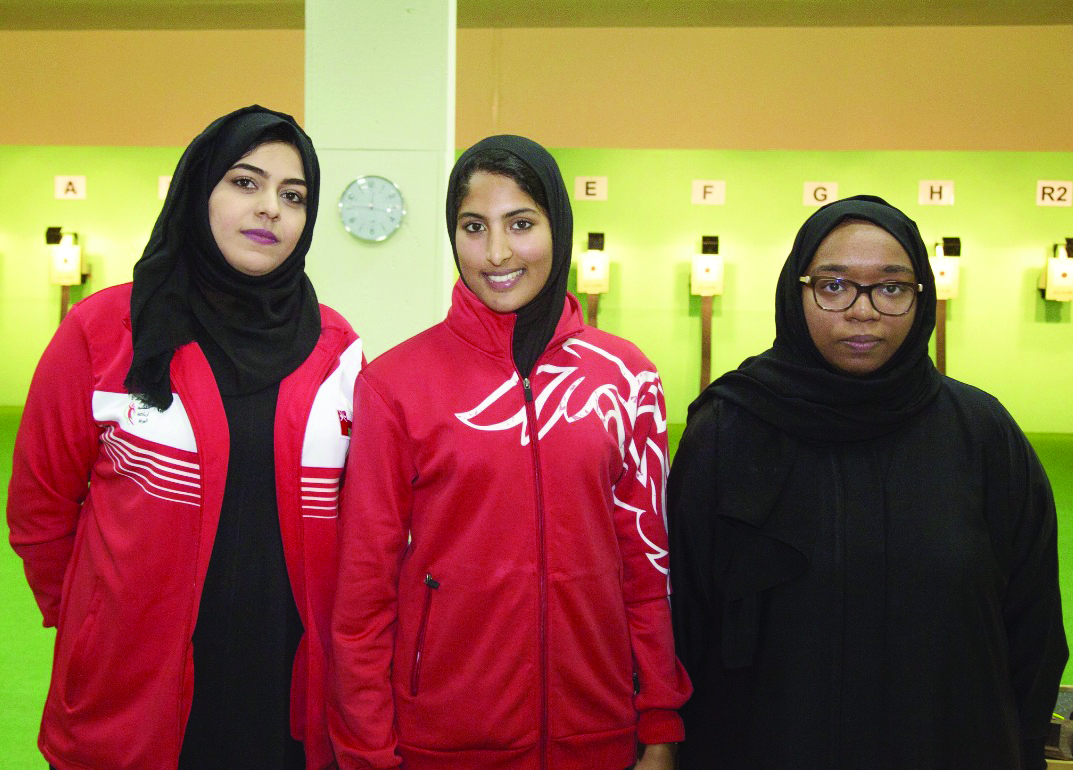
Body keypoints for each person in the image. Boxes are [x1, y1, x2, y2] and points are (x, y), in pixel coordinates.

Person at [7, 105, 364, 770]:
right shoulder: (103, 330)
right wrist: (96, 624)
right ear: (199, 190)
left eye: (293, 196)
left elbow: (360, 523)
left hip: (284, 690)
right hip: (134, 687)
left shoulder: (337, 349)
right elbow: (40, 509)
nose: (270, 211)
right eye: (244, 183)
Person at [668, 195, 1068, 770]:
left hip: (950, 742)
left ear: (920, 295)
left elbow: (1031, 625)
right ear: (795, 289)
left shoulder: (980, 434)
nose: (863, 310)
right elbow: (684, 620)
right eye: (833, 285)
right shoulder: (729, 431)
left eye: (892, 287)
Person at [329, 135, 691, 769]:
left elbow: (646, 566)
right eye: (474, 227)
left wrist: (659, 720)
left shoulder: (625, 378)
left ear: (559, 227)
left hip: (597, 736)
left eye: (520, 224)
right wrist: (368, 754)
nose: (495, 253)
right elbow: (363, 596)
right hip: (442, 742)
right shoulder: (394, 386)